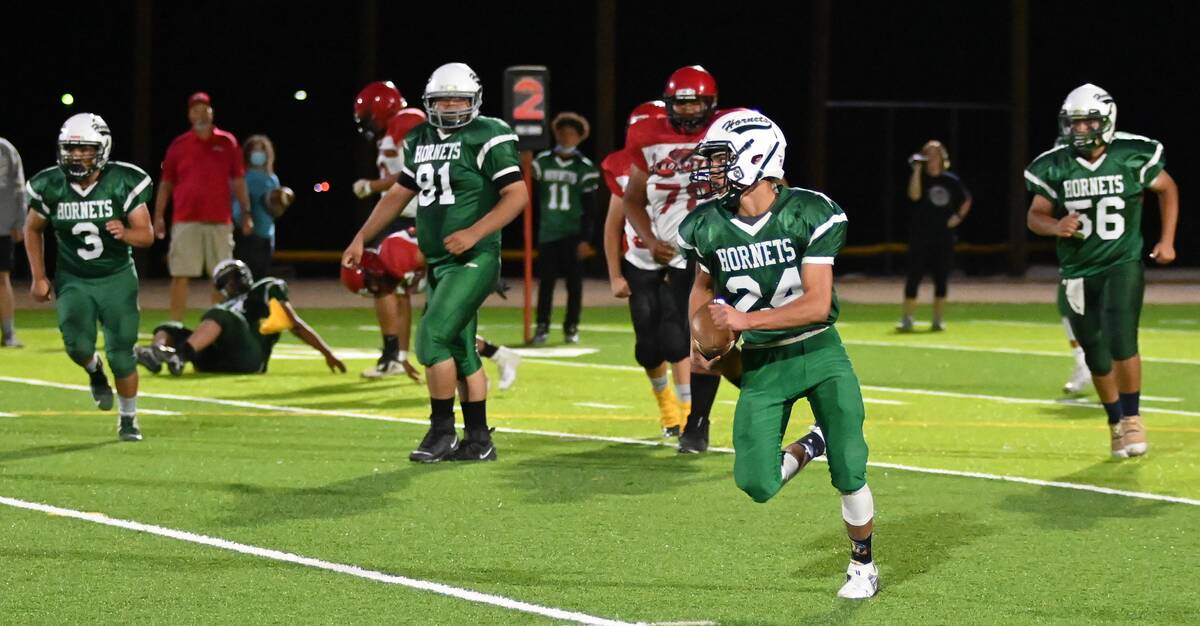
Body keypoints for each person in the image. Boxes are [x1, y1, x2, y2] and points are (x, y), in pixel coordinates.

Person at [679, 109, 878, 599]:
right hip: (764, 364)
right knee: (757, 483)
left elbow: (816, 303)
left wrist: (745, 322)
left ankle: (863, 565)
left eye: (721, 159)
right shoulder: (708, 225)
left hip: (819, 353)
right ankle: (812, 443)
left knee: (851, 466)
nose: (712, 170)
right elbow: (702, 289)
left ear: (756, 157)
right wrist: (700, 337)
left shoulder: (809, 211)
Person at [342, 62, 529, 463]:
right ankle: (478, 440)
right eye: (442, 99)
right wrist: (362, 235)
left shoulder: (489, 134)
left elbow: (516, 195)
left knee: (431, 340)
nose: (449, 106)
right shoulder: (420, 137)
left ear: (474, 99)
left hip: (475, 258)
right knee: (461, 349)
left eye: (457, 98)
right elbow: (397, 194)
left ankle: (441, 431)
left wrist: (474, 233)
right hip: (440, 262)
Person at [1025, 83, 1178, 459]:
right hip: (1078, 268)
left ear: (1106, 121)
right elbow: (1035, 215)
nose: (1079, 131)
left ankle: (1133, 417)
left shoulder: (1131, 154)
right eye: (1073, 124)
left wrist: (1168, 239)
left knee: (1121, 335)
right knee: (1094, 350)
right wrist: (1055, 226)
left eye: (1086, 123)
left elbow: (1167, 188)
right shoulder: (1055, 163)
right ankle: (1114, 422)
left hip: (1122, 260)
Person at [621, 66, 740, 443]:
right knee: (703, 338)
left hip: (732, 249)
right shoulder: (648, 135)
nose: (688, 112)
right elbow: (631, 200)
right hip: (683, 256)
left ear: (711, 104)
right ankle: (697, 424)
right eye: (681, 104)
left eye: (696, 104)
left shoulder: (731, 130)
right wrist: (651, 239)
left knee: (742, 338)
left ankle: (768, 395)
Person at [24, 113, 155, 441]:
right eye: (70, 149)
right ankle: (94, 370)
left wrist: (125, 233)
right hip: (73, 278)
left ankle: (128, 419)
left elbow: (147, 235)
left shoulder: (123, 180)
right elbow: (32, 227)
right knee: (77, 345)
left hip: (117, 277)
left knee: (121, 352)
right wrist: (39, 276)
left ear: (103, 148)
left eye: (84, 148)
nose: (76, 156)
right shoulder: (50, 184)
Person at [341, 229, 523, 390]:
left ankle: (479, 374)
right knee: (438, 331)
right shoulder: (389, 268)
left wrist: (481, 271)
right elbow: (403, 310)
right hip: (444, 274)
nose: (378, 290)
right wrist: (402, 355)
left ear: (371, 269)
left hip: (459, 265)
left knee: (440, 330)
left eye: (373, 285)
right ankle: (496, 358)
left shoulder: (395, 255)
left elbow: (442, 252)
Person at [135, 259, 345, 376]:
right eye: (226, 281)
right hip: (217, 360)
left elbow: (294, 324)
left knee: (223, 315)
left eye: (234, 277)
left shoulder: (264, 289)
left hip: (249, 357)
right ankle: (157, 355)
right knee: (168, 326)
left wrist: (326, 352)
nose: (232, 284)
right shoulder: (225, 304)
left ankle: (179, 356)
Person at [351, 81, 428, 380]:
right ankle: (398, 357)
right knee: (394, 286)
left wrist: (373, 185)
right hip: (399, 214)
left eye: (370, 114)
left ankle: (395, 354)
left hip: (414, 214)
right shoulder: (392, 130)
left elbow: (417, 168)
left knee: (379, 278)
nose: (369, 122)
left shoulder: (407, 121)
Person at [154, 92, 253, 324]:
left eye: (205, 108)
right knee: (180, 275)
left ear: (211, 112)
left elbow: (239, 180)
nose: (200, 113)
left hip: (220, 220)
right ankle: (175, 326)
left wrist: (246, 213)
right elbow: (166, 183)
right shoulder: (179, 145)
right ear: (189, 115)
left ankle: (219, 325)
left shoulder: (227, 142)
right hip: (186, 219)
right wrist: (158, 215)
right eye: (195, 109)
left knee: (222, 277)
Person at [531, 112, 600, 344]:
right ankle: (542, 326)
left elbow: (591, 209)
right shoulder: (540, 162)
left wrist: (585, 239)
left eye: (571, 133)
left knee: (574, 284)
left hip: (572, 233)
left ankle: (571, 327)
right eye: (563, 133)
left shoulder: (585, 167)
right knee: (546, 283)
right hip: (548, 232)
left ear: (579, 138)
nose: (566, 137)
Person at [898, 140, 971, 332]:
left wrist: (958, 216)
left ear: (941, 157)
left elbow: (966, 199)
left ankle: (938, 320)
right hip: (920, 234)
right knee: (914, 275)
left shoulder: (950, 180)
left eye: (935, 153)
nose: (931, 157)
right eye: (928, 153)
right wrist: (916, 170)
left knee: (941, 277)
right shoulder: (920, 177)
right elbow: (914, 195)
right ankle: (907, 318)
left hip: (944, 236)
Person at [232, 134, 287, 280]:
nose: (258, 154)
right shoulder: (241, 177)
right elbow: (234, 203)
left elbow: (275, 208)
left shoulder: (272, 178)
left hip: (266, 233)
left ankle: (257, 302)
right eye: (254, 150)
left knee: (261, 275)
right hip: (245, 233)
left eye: (261, 150)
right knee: (244, 276)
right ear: (248, 154)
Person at [0, 136, 26, 347]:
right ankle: (8, 335)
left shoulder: (6, 149)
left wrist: (20, 221)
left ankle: (8, 334)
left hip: (2, 226)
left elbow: (19, 187)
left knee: (2, 279)